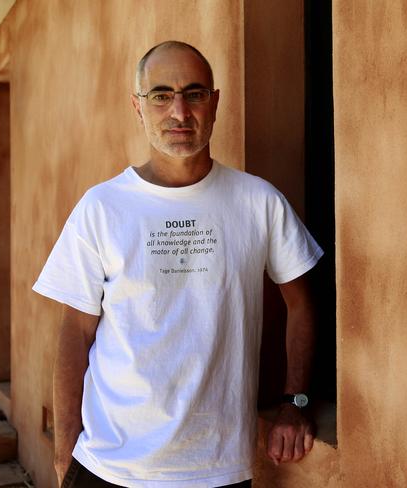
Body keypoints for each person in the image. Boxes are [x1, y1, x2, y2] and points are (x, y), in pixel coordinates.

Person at [33, 40, 323, 488]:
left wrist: (296, 402)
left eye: (194, 93)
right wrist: (64, 454)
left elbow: (302, 304)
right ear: (138, 106)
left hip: (217, 470)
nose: (180, 112)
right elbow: (76, 332)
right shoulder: (102, 208)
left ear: (215, 102)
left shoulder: (258, 202)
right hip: (108, 468)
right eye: (161, 95)